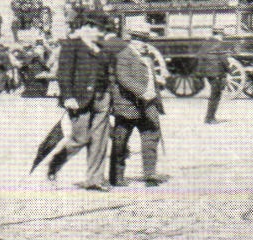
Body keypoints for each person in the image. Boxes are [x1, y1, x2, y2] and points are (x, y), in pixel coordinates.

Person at [45, 16, 113, 190]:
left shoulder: (101, 47)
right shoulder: (71, 45)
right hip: (79, 99)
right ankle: (54, 164)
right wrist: (68, 96)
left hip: (101, 97)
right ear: (87, 28)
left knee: (100, 140)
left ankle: (95, 179)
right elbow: (64, 73)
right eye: (100, 30)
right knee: (80, 138)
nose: (103, 34)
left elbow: (107, 70)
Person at [109, 25, 168, 187]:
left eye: (145, 40)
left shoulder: (147, 57)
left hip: (149, 105)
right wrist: (142, 92)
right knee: (120, 141)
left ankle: (150, 175)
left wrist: (157, 86)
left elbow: (150, 77)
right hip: (128, 105)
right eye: (140, 40)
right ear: (131, 40)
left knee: (151, 137)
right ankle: (116, 176)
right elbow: (123, 78)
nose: (143, 43)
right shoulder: (123, 55)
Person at [196, 27, 228, 124]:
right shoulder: (219, 44)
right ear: (219, 35)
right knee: (216, 95)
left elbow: (199, 57)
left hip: (208, 74)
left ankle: (210, 117)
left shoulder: (205, 44)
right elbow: (224, 60)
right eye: (222, 36)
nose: (223, 38)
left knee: (213, 95)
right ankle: (210, 118)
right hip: (217, 73)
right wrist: (228, 70)